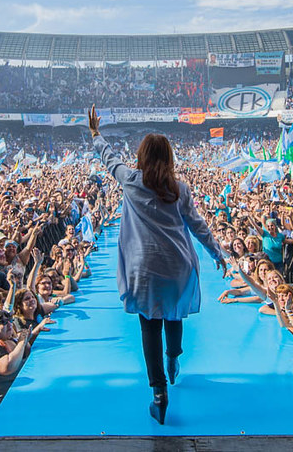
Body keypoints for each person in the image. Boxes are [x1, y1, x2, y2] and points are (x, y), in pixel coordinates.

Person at [89, 104, 227, 424]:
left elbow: (109, 158)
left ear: (141, 156)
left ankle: (158, 394)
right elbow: (198, 226)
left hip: (143, 269)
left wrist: (96, 133)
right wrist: (217, 252)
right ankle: (173, 357)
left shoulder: (130, 181)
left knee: (149, 326)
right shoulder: (180, 189)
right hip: (177, 268)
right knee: (174, 313)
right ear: (169, 158)